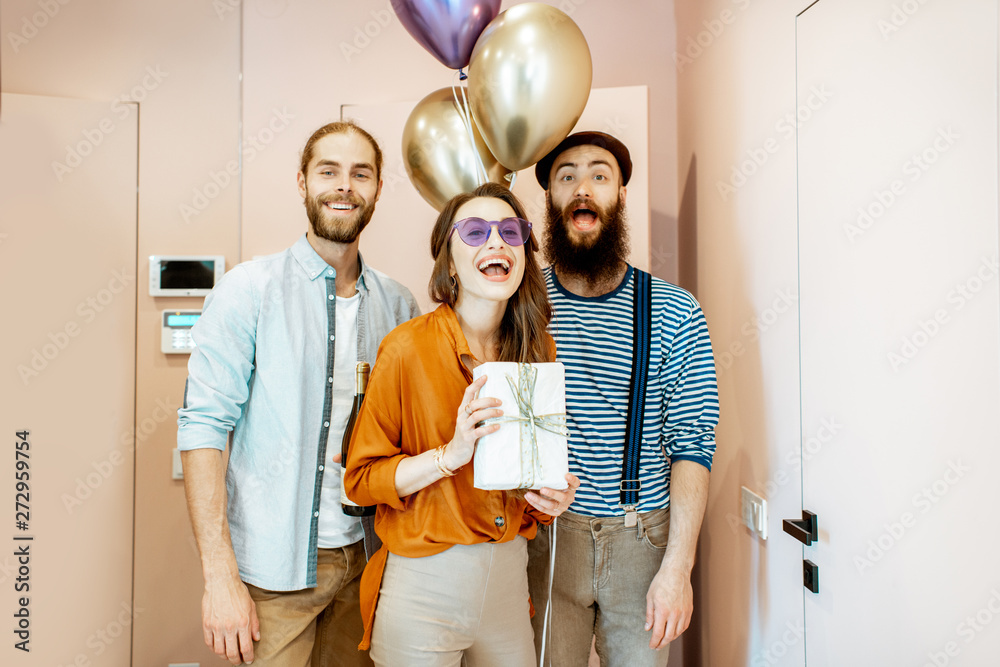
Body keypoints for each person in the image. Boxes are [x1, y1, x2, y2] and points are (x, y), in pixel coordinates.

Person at [177, 120, 419, 666]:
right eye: (328, 171)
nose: (344, 186)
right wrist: (219, 578)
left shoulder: (400, 307)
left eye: (360, 173)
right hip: (271, 576)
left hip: (370, 562)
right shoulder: (249, 290)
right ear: (303, 183)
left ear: (378, 189)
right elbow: (202, 430)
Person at [344, 182, 581, 666]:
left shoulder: (538, 353)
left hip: (509, 585)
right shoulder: (405, 349)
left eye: (510, 231)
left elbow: (526, 489)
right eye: (475, 232)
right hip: (422, 591)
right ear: (450, 263)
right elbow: (361, 482)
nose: (496, 242)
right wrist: (449, 457)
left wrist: (554, 497)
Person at [526, 132, 720, 667]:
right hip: (546, 541)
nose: (582, 188)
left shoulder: (676, 311)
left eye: (599, 175)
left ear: (621, 195)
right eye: (566, 176)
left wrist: (678, 569)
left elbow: (694, 447)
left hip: (643, 541)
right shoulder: (524, 303)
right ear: (550, 200)